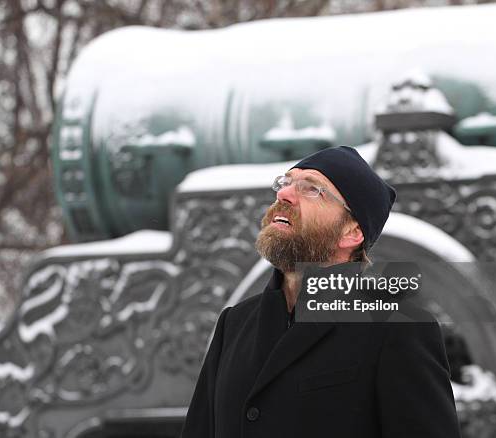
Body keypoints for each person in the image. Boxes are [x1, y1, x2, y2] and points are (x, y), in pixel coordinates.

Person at [181, 146, 461, 438]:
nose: (284, 194)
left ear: (352, 232)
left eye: (312, 189)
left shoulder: (397, 328)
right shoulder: (234, 324)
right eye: (285, 182)